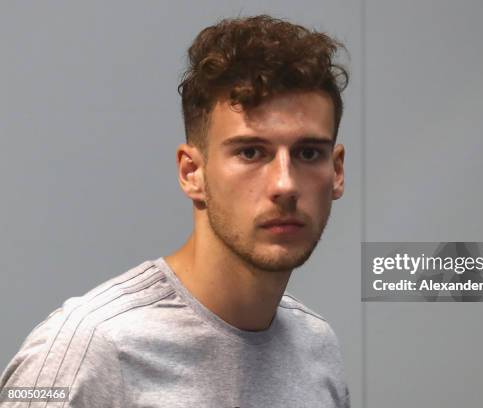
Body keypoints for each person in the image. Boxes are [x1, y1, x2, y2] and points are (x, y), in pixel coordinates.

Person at [0, 14, 350, 407]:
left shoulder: (317, 347)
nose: (285, 184)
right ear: (192, 173)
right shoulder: (87, 347)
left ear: (336, 172)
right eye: (251, 152)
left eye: (307, 153)